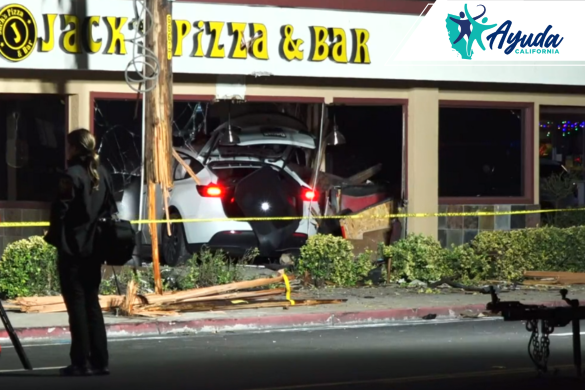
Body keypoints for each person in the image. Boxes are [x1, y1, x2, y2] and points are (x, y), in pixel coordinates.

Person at [44, 128, 112, 376]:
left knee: (77, 305)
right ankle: (100, 360)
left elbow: (60, 213)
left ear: (74, 148)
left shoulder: (70, 176)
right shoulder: (102, 174)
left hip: (73, 250)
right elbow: (109, 209)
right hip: (95, 248)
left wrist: (55, 238)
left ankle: (80, 361)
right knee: (92, 303)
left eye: (69, 145)